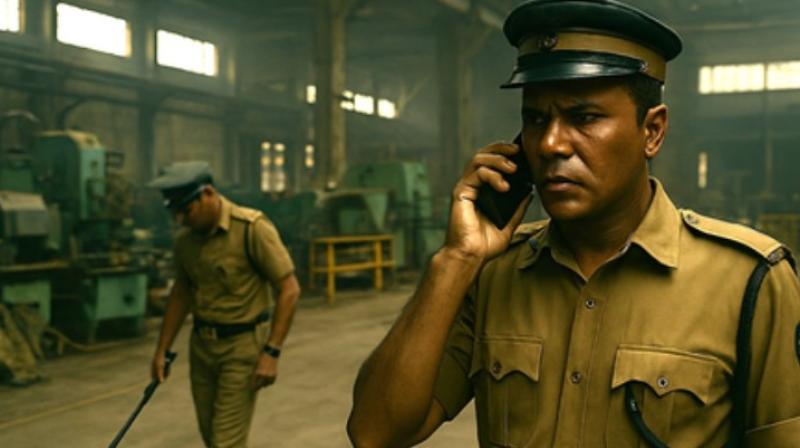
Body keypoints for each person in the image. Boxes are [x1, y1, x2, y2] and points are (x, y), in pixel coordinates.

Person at [347, 1, 800, 446]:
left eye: (584, 118)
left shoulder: (748, 280)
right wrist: (455, 259)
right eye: (535, 119)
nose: (550, 144)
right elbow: (374, 433)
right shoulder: (491, 275)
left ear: (652, 131)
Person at [148, 161, 300, 448]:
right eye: (175, 214)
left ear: (208, 193)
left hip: (241, 349)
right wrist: (162, 349)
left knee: (224, 443)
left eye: (186, 211)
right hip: (202, 349)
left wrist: (272, 352)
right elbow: (182, 293)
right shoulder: (186, 242)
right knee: (213, 438)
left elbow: (289, 290)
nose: (181, 220)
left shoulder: (251, 229)